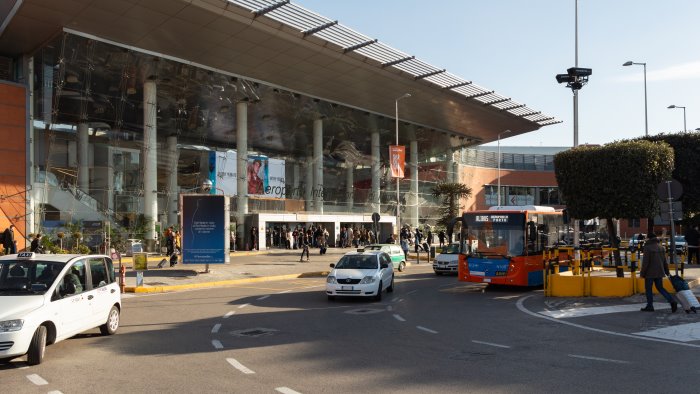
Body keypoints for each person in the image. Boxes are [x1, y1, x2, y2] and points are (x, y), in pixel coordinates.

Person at [640, 232, 677, 312]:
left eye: (646, 238)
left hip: (649, 273)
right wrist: (667, 272)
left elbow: (645, 262)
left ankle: (650, 306)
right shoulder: (661, 247)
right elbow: (665, 262)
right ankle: (672, 301)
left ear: (649, 239)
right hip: (659, 272)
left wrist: (642, 273)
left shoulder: (647, 247)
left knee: (648, 289)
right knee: (660, 288)